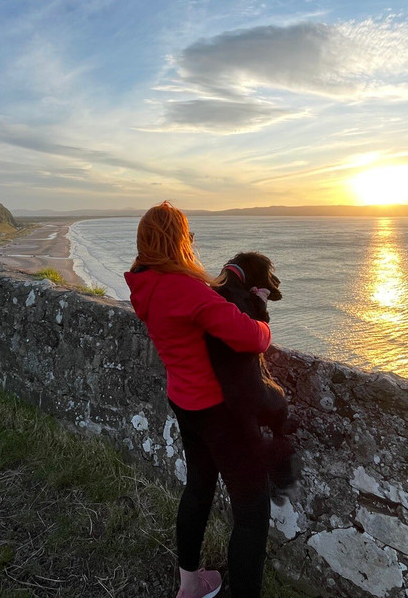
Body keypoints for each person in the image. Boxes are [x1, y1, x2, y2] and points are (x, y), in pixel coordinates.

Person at [124, 202, 272, 598]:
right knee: (252, 512)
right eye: (188, 235)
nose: (192, 241)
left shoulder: (145, 284)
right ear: (178, 242)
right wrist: (257, 308)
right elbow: (252, 337)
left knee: (198, 489)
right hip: (218, 411)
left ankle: (190, 584)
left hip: (184, 401)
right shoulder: (185, 289)